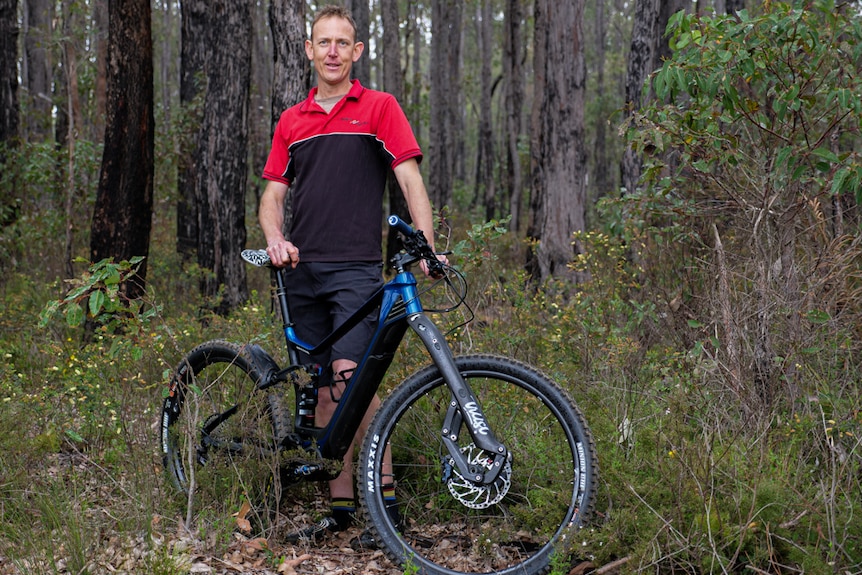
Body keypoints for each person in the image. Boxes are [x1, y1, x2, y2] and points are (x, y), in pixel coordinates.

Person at [259, 4, 443, 548]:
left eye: (344, 43)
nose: (334, 51)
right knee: (321, 393)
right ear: (310, 51)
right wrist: (275, 238)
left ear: (357, 52)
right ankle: (341, 512)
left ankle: (383, 509)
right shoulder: (292, 121)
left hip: (358, 271)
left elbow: (410, 183)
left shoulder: (380, 108)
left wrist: (427, 249)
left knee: (352, 384)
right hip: (301, 273)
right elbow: (272, 196)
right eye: (324, 42)